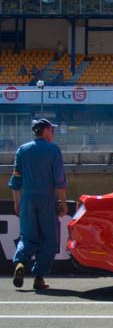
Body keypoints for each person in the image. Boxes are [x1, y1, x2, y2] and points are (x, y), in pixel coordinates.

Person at [9, 118, 68, 291]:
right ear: (46, 130)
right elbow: (60, 180)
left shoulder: (23, 150)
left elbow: (15, 179)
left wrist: (16, 202)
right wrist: (63, 203)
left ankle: (20, 263)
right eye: (52, 130)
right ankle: (39, 277)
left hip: (27, 198)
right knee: (49, 240)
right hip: (47, 200)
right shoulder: (53, 150)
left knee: (27, 236)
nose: (53, 134)